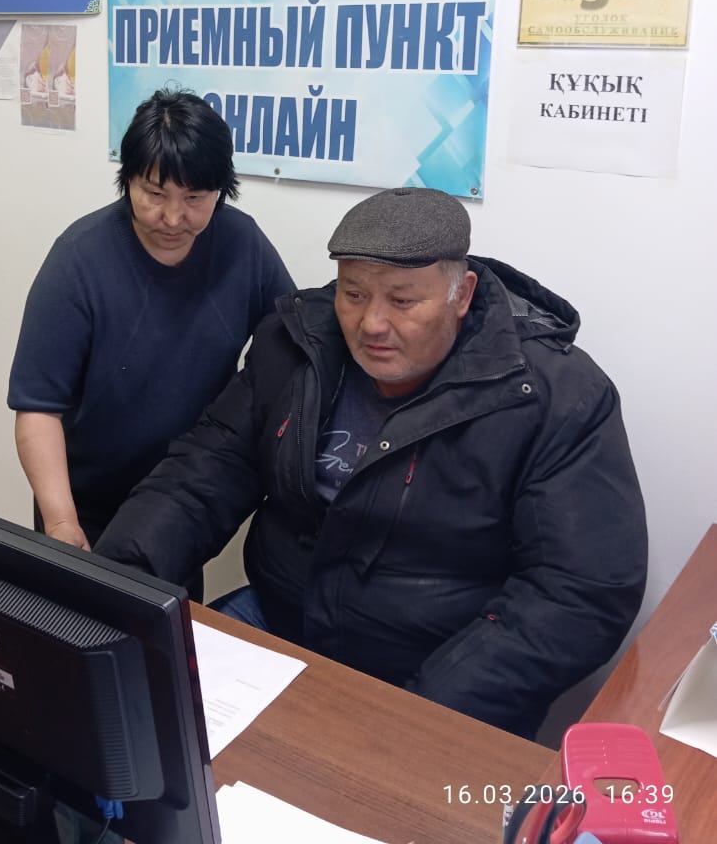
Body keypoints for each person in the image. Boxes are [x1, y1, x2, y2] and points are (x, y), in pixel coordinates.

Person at [96, 187, 648, 738]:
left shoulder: (553, 396)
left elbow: (578, 593)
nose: (371, 324)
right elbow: (201, 474)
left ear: (462, 294)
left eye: (402, 302)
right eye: (354, 294)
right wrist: (110, 588)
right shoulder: (298, 346)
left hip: (439, 673)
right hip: (280, 621)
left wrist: (422, 712)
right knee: (132, 730)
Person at [8, 87, 295, 554]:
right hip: (85, 499)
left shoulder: (242, 245)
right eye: (154, 194)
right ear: (128, 181)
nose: (173, 218)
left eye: (195, 197)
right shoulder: (79, 260)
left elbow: (295, 344)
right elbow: (38, 409)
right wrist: (61, 523)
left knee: (172, 604)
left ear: (221, 190)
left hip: (180, 499)